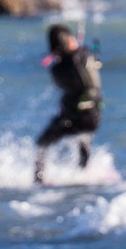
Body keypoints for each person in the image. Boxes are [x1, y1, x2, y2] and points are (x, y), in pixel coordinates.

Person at [34, 24, 103, 185]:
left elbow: (63, 84)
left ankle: (38, 180)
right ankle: (84, 174)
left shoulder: (57, 68)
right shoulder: (87, 54)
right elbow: (93, 62)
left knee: (42, 143)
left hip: (73, 116)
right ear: (69, 40)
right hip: (94, 116)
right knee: (84, 138)